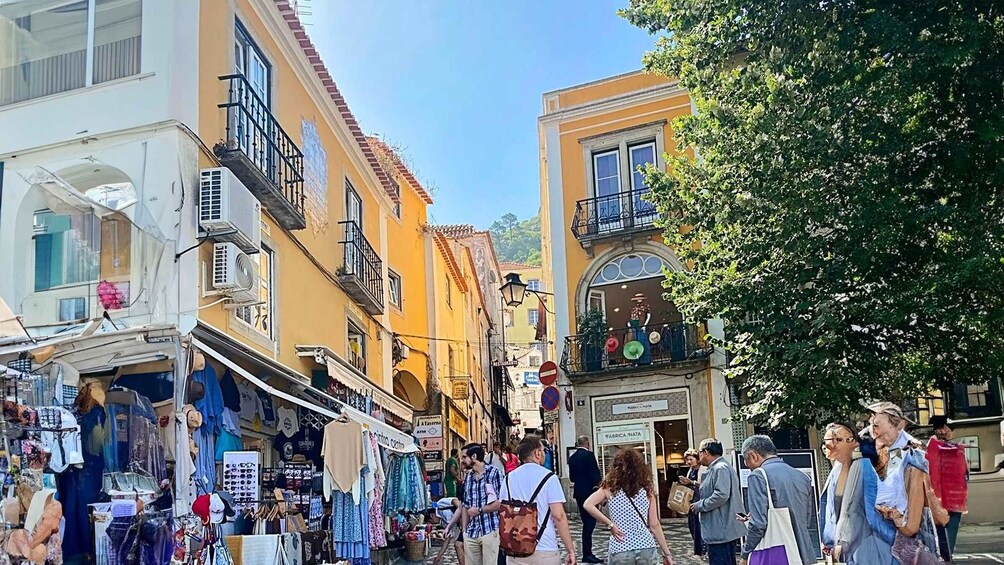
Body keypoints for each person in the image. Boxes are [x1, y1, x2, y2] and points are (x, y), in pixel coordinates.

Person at [866, 401, 942, 561]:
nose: (872, 423)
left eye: (876, 420)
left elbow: (914, 519)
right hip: (887, 531)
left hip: (911, 533)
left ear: (896, 424)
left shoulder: (911, 452)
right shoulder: (883, 451)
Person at [582, 447, 675, 565]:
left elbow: (588, 504)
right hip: (645, 544)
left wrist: (610, 524)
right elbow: (654, 524)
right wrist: (667, 553)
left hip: (620, 546)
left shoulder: (609, 488)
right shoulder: (647, 490)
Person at [818, 422, 894, 565]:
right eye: (827, 441)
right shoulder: (836, 470)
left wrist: (894, 539)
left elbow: (870, 511)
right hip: (842, 550)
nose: (827, 445)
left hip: (865, 547)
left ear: (852, 443)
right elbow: (830, 510)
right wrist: (828, 540)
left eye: (837, 440)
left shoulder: (863, 467)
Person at [738, 435, 816, 565]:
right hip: (804, 552)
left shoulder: (758, 475)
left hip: (777, 553)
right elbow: (806, 519)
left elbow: (758, 524)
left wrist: (745, 554)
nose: (748, 467)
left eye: (746, 461)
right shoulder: (802, 477)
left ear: (753, 455)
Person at [500, 435, 577, 565]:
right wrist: (570, 550)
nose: (545, 454)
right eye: (544, 451)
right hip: (544, 547)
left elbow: (503, 509)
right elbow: (559, 516)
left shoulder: (508, 479)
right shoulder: (549, 478)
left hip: (516, 548)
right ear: (537, 453)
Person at [689, 438, 745, 565]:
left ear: (706, 452)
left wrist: (700, 505)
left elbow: (721, 495)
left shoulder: (720, 468)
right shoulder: (718, 467)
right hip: (720, 530)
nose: (699, 456)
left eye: (699, 452)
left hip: (721, 530)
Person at [926, 415, 967, 559]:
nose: (949, 432)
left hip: (951, 494)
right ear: (941, 429)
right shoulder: (936, 446)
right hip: (943, 495)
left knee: (946, 530)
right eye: (948, 428)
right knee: (945, 531)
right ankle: (945, 558)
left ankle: (945, 557)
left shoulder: (943, 445)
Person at [462, 443, 504, 565]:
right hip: (471, 532)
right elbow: (465, 504)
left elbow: (501, 502)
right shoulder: (468, 477)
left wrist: (480, 510)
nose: (463, 460)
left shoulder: (494, 473)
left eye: (465, 457)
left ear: (474, 456)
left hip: (489, 528)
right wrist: (464, 530)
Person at [568, 435, 602, 563]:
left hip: (579, 492)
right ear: (587, 443)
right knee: (590, 523)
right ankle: (587, 553)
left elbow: (571, 478)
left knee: (586, 522)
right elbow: (596, 475)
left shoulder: (572, 458)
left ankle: (587, 552)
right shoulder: (589, 456)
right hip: (590, 492)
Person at [678, 448, 706, 558]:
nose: (689, 462)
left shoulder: (702, 469)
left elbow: (704, 484)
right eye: (687, 460)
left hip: (699, 498)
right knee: (692, 524)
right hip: (691, 498)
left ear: (697, 459)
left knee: (699, 524)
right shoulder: (690, 470)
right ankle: (698, 550)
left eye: (691, 459)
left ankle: (703, 550)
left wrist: (691, 482)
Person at [433, 496, 466, 565]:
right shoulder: (444, 521)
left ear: (431, 515)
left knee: (459, 545)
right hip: (464, 527)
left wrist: (463, 512)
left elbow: (454, 500)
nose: (434, 523)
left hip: (468, 520)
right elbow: (447, 539)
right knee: (459, 545)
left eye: (432, 521)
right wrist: (439, 556)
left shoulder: (440, 504)